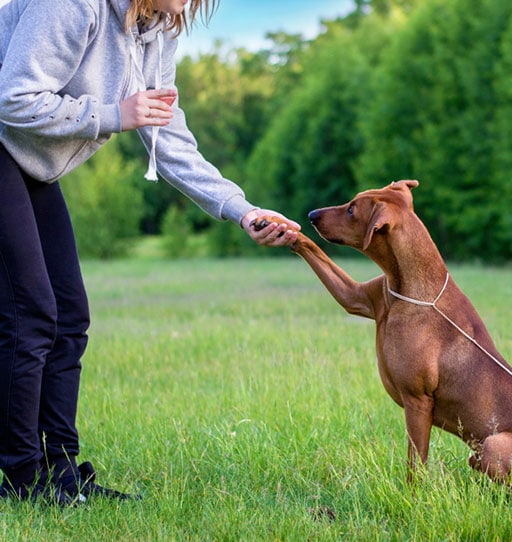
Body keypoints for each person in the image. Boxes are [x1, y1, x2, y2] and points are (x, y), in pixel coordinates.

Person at [0, 0, 300, 506]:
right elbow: (12, 98)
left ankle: (61, 470)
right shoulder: (73, 4)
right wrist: (114, 115)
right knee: (30, 314)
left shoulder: (156, 25)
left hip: (26, 160)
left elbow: (168, 135)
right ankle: (20, 478)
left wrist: (240, 208)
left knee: (69, 316)